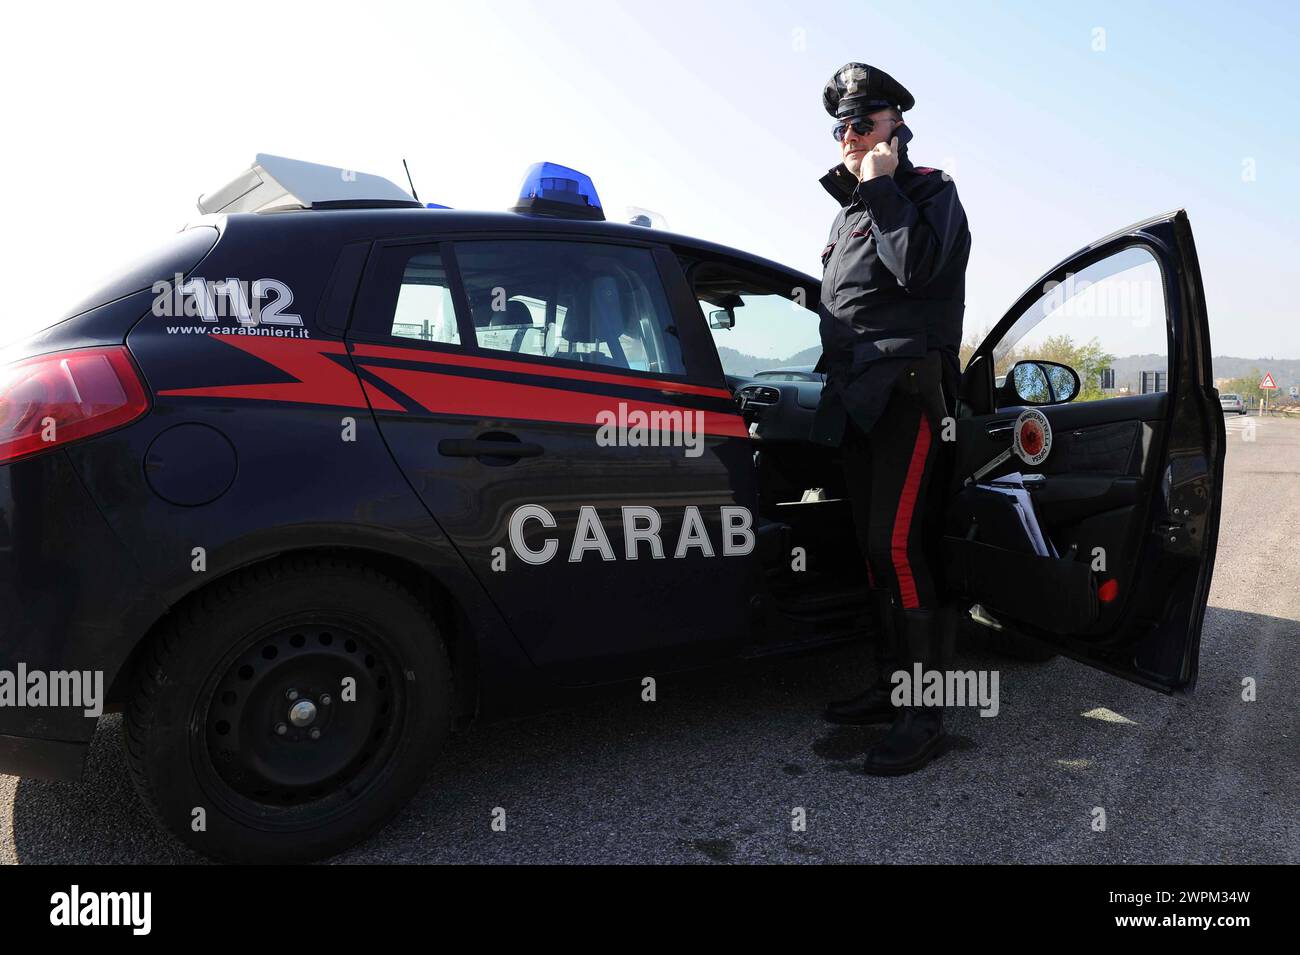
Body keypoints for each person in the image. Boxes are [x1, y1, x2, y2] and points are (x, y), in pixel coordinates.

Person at [811, 62, 972, 775]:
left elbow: (917, 272)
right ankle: (889, 686)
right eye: (840, 125)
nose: (846, 136)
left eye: (859, 123)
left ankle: (925, 712)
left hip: (908, 398)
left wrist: (880, 185)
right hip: (856, 401)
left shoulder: (928, 193)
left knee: (901, 548)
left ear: (894, 126)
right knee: (874, 551)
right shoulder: (849, 211)